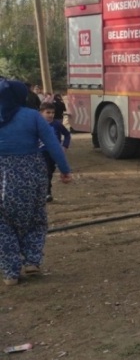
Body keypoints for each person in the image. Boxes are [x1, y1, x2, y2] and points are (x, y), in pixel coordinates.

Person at [0, 79, 73, 286]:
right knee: (36, 217)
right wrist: (65, 170)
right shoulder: (32, 116)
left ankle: (11, 272)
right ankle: (32, 261)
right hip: (31, 172)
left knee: (3, 224)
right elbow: (52, 144)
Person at [39, 102, 71, 202]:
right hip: (40, 153)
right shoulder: (37, 124)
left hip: (53, 153)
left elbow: (67, 135)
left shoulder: (56, 124)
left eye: (52, 113)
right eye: (48, 112)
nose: (51, 115)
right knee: (45, 172)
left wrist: (65, 146)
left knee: (50, 172)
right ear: (41, 113)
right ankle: (47, 192)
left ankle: (46, 191)